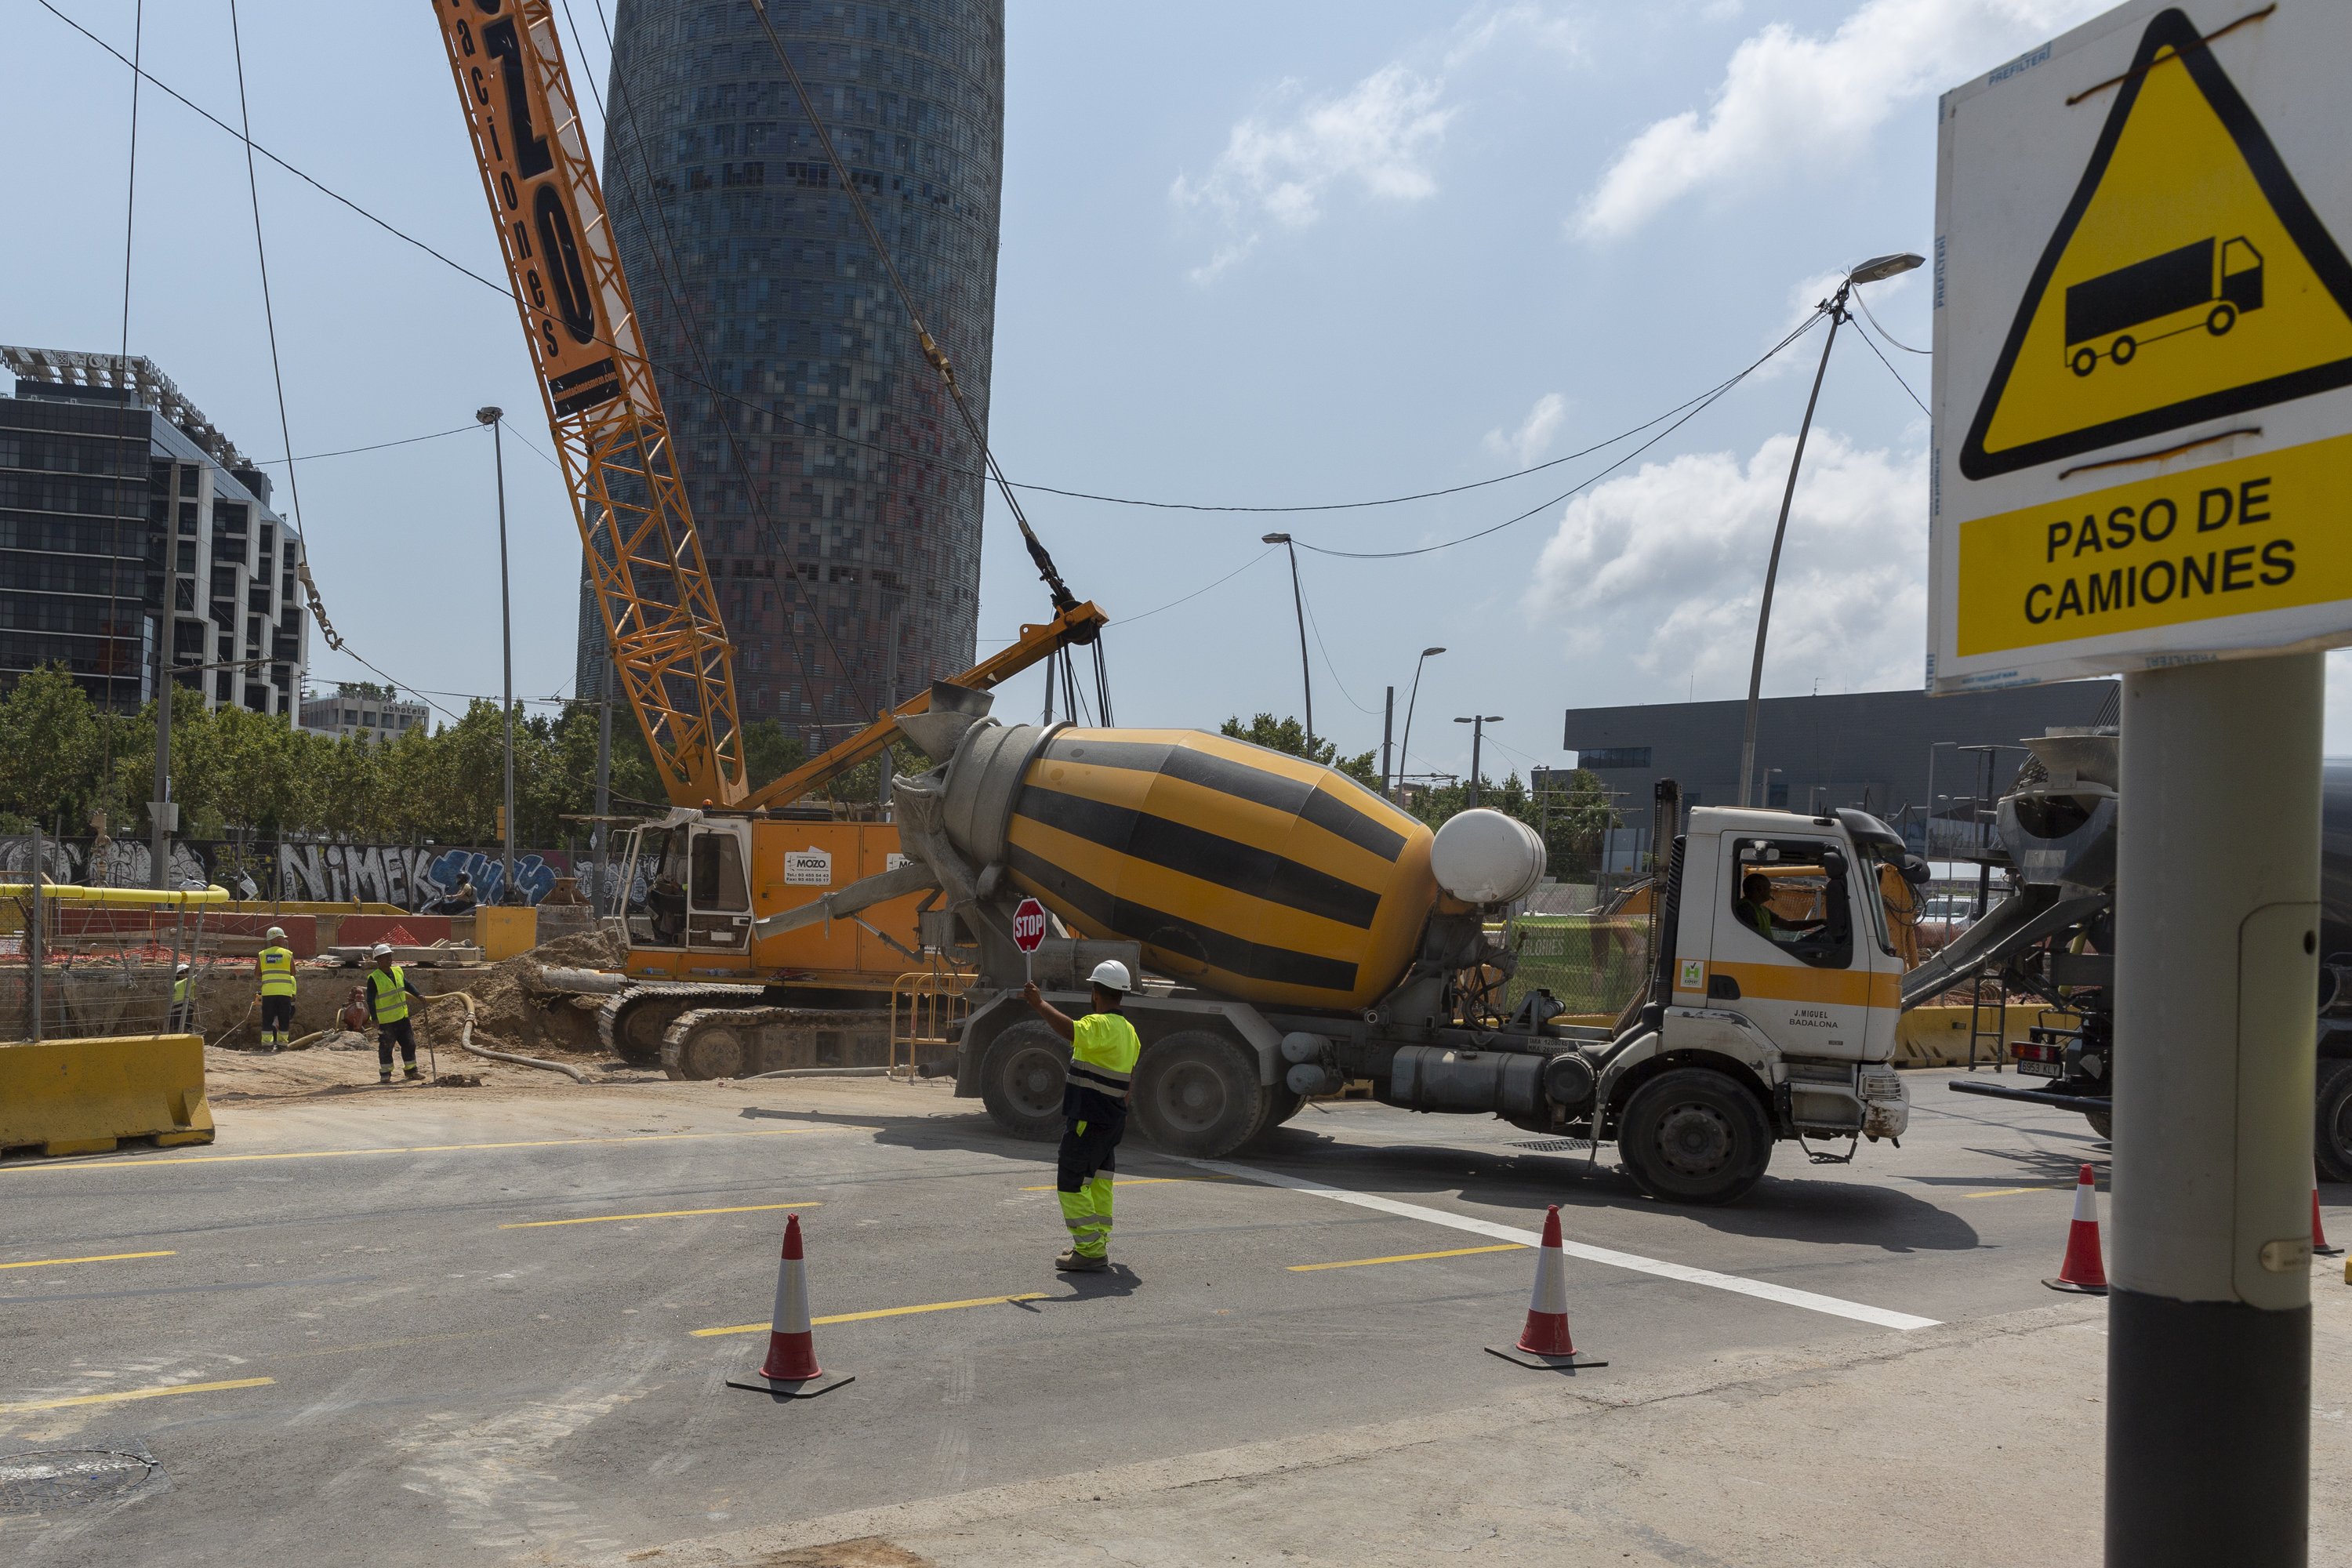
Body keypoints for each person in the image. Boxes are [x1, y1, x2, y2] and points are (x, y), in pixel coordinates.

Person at [1020, 960, 1142, 1273]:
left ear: (1095, 993)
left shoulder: (1099, 1025)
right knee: (1099, 1182)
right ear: (1123, 995)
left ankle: (1088, 1249)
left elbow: (1070, 1030)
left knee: (1071, 1182)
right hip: (1112, 1120)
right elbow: (1128, 1082)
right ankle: (1095, 1240)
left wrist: (1040, 1004)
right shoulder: (1130, 1032)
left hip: (1089, 1118)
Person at [365, 942, 429, 1083]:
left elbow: (408, 985)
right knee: (387, 1046)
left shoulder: (398, 971)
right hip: (386, 1021)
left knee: (409, 1044)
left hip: (402, 1017)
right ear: (378, 960)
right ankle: (385, 1073)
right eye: (386, 957)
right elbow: (370, 999)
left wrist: (418, 995)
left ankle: (411, 1071)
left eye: (390, 956)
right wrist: (374, 1018)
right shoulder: (374, 978)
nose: (390, 959)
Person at [1737, 872, 1823, 946]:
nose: (1770, 891)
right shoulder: (1745, 909)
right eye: (1769, 888)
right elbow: (1751, 938)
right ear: (1760, 889)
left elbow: (1790, 925)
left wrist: (1820, 922)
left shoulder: (1762, 910)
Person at [256, 924, 297, 1050]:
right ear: (276, 939)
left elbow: (257, 974)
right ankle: (282, 1044)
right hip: (284, 994)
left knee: (267, 1019)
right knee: (284, 1019)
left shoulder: (262, 954)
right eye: (282, 938)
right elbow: (293, 973)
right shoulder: (288, 954)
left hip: (268, 993)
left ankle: (267, 1045)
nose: (284, 941)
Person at [169, 962, 195, 1035]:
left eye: (188, 972)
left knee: (176, 1028)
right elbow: (199, 977)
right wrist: (209, 965)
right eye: (185, 972)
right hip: (184, 1008)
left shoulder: (174, 983)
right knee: (187, 1027)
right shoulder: (185, 982)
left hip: (175, 1010)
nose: (187, 974)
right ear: (179, 975)